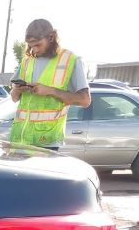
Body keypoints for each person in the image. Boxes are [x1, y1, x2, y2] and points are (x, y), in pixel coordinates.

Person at [9, 19, 91, 150]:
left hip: (47, 143)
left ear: (51, 37)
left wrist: (51, 91)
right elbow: (13, 97)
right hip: (19, 140)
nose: (34, 49)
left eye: (38, 44)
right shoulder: (27, 61)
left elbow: (85, 100)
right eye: (30, 45)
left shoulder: (70, 60)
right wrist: (18, 91)